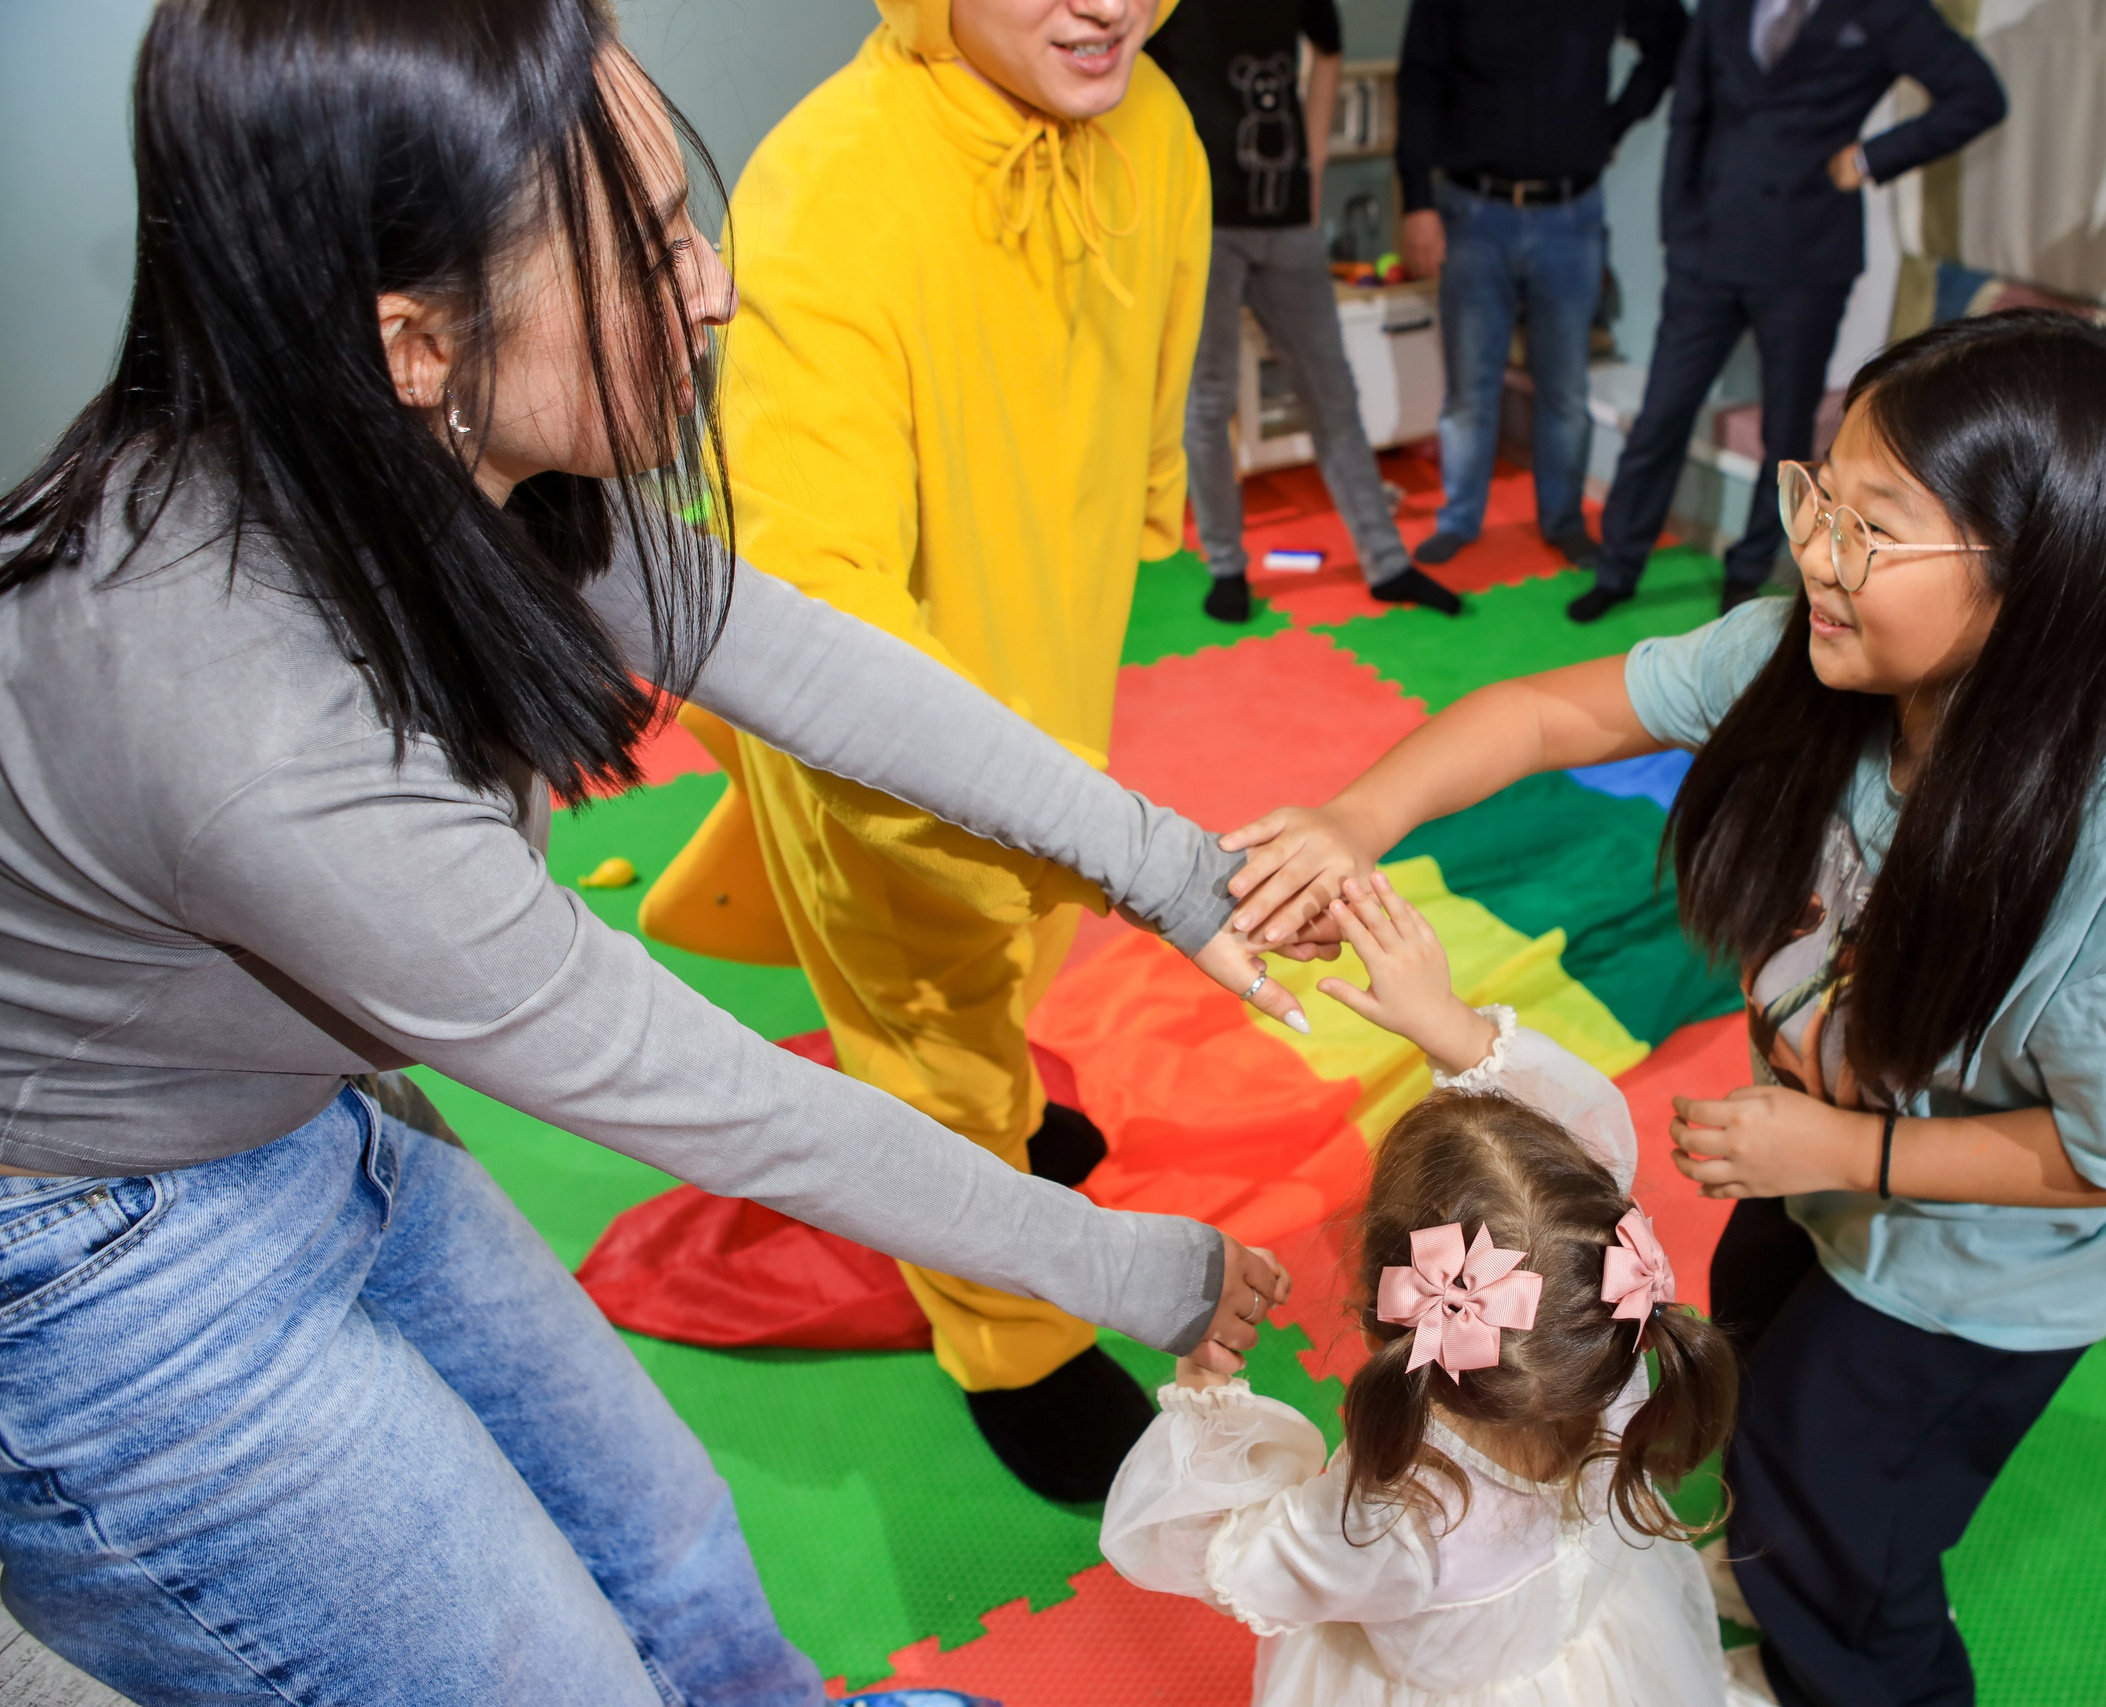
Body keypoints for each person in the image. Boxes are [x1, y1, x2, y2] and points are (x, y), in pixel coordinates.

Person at [0, 3, 1296, 1699]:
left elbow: (796, 653)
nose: (716, 285)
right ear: (417, 339)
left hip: (302, 1108)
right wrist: (1138, 1264)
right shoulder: (253, 731)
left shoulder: (428, 453)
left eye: (685, 220)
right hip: (89, 1264)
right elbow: (724, 1094)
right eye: (650, 247)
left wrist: (1174, 866)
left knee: (677, 1547)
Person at [1215, 312, 2106, 1704]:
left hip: (1980, 1275)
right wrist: (1357, 817)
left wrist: (1842, 1153)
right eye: (1818, 501)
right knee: (1763, 1381)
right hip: (1824, 1159)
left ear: (2044, 570)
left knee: (1848, 1531)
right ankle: (1788, 1556)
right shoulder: (1825, 661)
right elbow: (1552, 714)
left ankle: (1841, 1634)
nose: (1817, 558)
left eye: (1874, 527)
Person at [634, 0, 1234, 1503]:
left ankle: (1011, 1119)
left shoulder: (1152, 123)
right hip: (882, 741)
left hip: (1055, 655)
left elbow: (1161, 345)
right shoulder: (832, 182)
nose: (1108, 4)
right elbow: (822, 602)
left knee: (1019, 964)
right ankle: (1009, 1335)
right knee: (925, 1021)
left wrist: (1147, 496)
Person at [1105, 872, 1737, 1705]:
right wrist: (1448, 1022)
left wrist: (1204, 1392)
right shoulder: (1609, 1324)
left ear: (1383, 1306)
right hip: (1604, 1657)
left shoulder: (1397, 1509)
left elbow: (1226, 1555)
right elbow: (1592, 1137)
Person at [1574, 0, 2005, 624]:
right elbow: (1689, 115)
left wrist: (1869, 159)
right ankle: (1618, 565)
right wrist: (1679, 232)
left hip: (1807, 257)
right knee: (1662, 413)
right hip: (1708, 251)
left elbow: (1977, 95)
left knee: (1786, 433)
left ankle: (1747, 573)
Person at [1147, 0, 1461, 621]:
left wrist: (1312, 170)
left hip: (1288, 224)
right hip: (1201, 225)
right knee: (1207, 403)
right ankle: (1226, 565)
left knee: (1331, 393)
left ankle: (1386, 561)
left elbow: (1329, 49)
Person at [1395, 0, 1689, 574]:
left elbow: (1672, 38)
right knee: (1469, 389)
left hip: (1571, 214)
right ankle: (1459, 519)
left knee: (1565, 390)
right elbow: (1419, 82)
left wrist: (1616, 121)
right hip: (1472, 211)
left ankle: (1564, 521)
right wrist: (1417, 202)